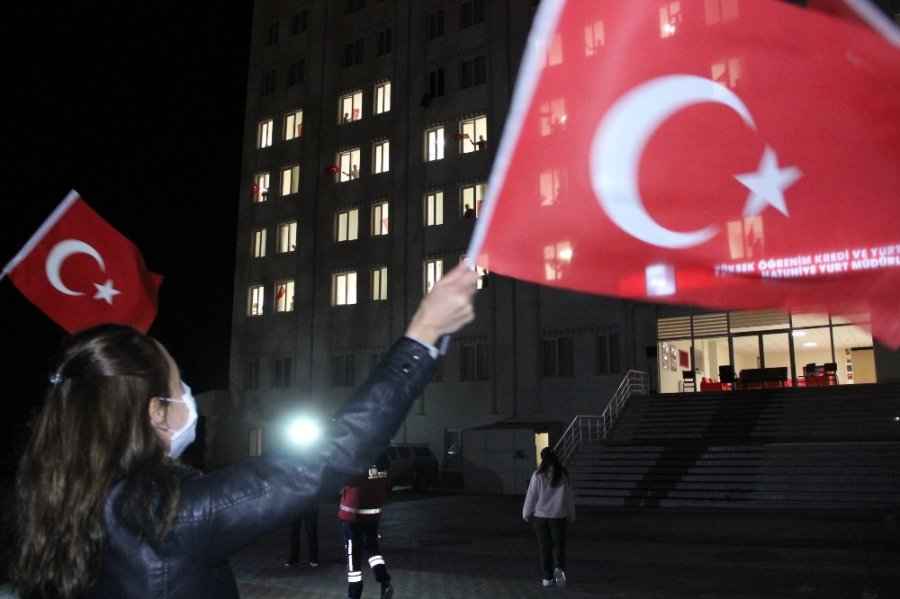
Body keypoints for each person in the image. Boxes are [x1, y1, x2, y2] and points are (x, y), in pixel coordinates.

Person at [14, 262, 478, 598]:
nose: (190, 398)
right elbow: (329, 458)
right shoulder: (164, 516)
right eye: (181, 386)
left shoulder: (57, 498)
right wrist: (423, 334)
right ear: (156, 412)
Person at [338, 452, 393, 599]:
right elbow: (385, 484)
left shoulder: (358, 464)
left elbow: (344, 483)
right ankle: (384, 580)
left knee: (353, 556)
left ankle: (354, 594)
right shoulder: (383, 466)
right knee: (372, 550)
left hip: (352, 516)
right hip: (372, 516)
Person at [522, 447, 576, 588]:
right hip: (559, 516)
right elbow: (569, 498)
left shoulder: (539, 474)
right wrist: (571, 514)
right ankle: (559, 570)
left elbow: (531, 496)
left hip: (541, 517)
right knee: (559, 546)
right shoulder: (563, 474)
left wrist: (526, 513)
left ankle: (547, 578)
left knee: (544, 547)